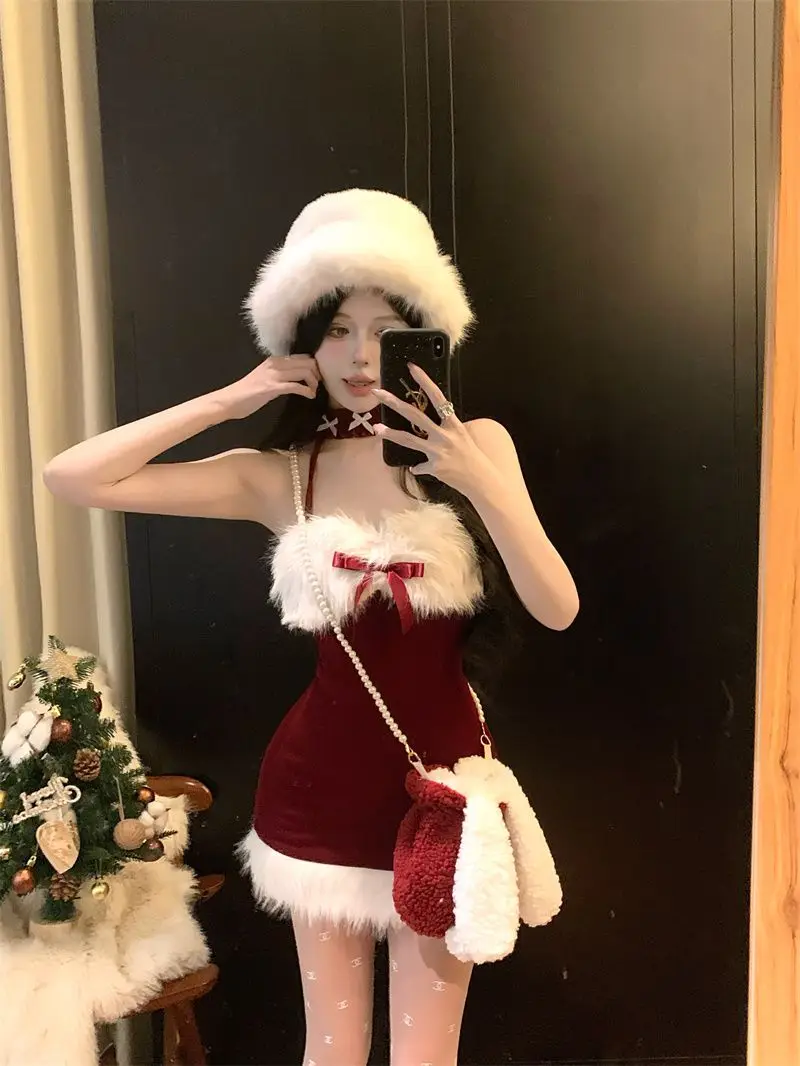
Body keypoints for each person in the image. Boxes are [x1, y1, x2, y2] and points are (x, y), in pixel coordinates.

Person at [44, 189, 578, 1066]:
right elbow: (72, 477)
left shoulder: (480, 445)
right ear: (302, 341)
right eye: (336, 329)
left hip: (442, 795)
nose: (360, 356)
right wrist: (228, 401)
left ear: (423, 337)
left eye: (385, 329)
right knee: (331, 1050)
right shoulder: (281, 474)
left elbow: (557, 607)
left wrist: (478, 481)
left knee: (427, 1056)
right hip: (317, 792)